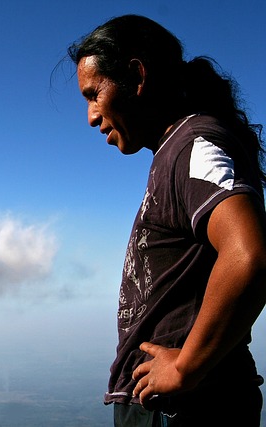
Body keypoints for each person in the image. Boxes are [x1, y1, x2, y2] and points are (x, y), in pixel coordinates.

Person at [67, 14, 266, 426]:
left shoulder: (193, 146)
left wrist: (185, 366)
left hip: (186, 408)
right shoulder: (177, 149)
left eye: (94, 93)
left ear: (136, 77)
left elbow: (249, 255)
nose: (89, 115)